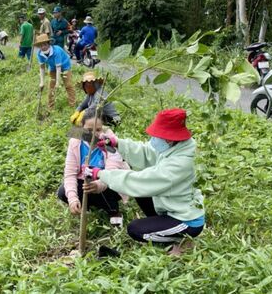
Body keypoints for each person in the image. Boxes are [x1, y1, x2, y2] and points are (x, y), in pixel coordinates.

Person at [83, 108, 205, 255]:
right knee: (141, 193)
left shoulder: (180, 163)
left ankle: (183, 240)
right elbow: (146, 152)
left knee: (136, 230)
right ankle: (161, 226)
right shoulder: (175, 146)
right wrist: (116, 143)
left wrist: (101, 174)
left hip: (185, 219)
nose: (154, 139)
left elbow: (140, 182)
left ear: (169, 139)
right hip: (170, 205)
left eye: (157, 136)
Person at [58, 108, 129, 224]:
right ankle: (87, 206)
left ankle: (113, 210)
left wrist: (99, 184)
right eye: (89, 130)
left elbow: (112, 171)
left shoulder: (109, 140)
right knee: (63, 191)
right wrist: (73, 199)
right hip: (87, 182)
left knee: (109, 185)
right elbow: (70, 174)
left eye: (98, 130)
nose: (94, 134)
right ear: (81, 127)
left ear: (104, 128)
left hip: (108, 183)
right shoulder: (75, 141)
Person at [34, 34, 75, 109]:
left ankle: (72, 105)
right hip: (52, 68)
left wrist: (58, 82)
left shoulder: (56, 51)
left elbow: (58, 67)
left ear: (49, 44)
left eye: (45, 44)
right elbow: (42, 68)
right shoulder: (39, 54)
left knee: (68, 85)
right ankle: (50, 107)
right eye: (41, 45)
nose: (43, 47)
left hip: (65, 66)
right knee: (51, 87)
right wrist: (42, 82)